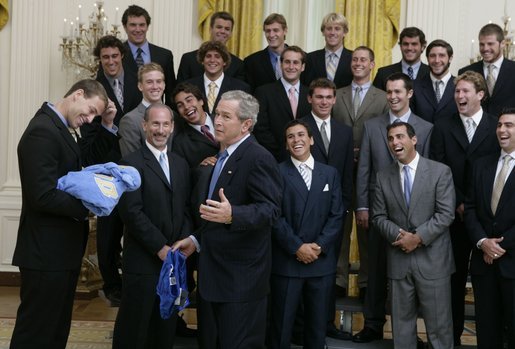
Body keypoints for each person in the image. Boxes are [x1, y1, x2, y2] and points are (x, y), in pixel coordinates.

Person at [172, 90, 282, 349]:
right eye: (217, 113)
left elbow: (271, 210)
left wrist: (234, 215)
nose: (217, 121)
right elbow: (214, 216)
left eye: (226, 116)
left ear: (246, 124)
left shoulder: (259, 157)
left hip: (240, 282)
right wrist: (194, 241)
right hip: (212, 277)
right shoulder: (221, 156)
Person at [10, 79, 114, 349]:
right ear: (78, 94)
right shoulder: (42, 131)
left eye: (95, 116)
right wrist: (89, 207)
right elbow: (42, 195)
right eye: (90, 110)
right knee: (35, 333)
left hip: (60, 253)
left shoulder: (62, 129)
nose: (89, 119)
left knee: (55, 331)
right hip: (45, 254)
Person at [353, 72, 433, 344]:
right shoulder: (372, 126)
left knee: (409, 274)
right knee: (375, 270)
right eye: (389, 91)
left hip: (413, 212)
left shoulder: (425, 128)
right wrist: (361, 206)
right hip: (378, 212)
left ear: (409, 93)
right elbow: (363, 168)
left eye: (398, 91)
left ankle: (410, 332)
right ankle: (373, 323)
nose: (393, 96)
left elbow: (428, 173)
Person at [112, 104, 192, 349]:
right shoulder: (130, 164)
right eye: (155, 124)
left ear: (172, 127)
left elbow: (186, 208)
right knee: (135, 328)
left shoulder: (181, 164)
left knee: (165, 326)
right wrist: (160, 247)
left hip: (174, 262)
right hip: (143, 261)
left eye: (165, 124)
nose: (160, 130)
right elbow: (132, 213)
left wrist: (182, 241)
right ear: (144, 126)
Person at [430, 70, 500, 346]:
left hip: (487, 219)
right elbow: (438, 167)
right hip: (452, 217)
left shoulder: (496, 126)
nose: (458, 96)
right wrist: (458, 203)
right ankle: (453, 338)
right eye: (456, 91)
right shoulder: (442, 126)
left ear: (480, 95)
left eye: (465, 91)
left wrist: (475, 207)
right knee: (453, 281)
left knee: (488, 284)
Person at [373, 121, 455, 349]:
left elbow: (446, 214)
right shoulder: (383, 176)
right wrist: (401, 237)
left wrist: (417, 238)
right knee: (401, 329)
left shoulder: (440, 171)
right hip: (399, 262)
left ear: (414, 139)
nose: (394, 142)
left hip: (434, 262)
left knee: (439, 329)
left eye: (399, 137)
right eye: (390, 138)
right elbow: (378, 216)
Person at [269, 119, 344, 349]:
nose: (296, 140)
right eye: (290, 136)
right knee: (281, 328)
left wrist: (318, 246)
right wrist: (297, 247)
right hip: (288, 262)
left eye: (301, 135)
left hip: (320, 263)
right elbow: (274, 216)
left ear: (311, 139)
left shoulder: (329, 173)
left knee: (317, 329)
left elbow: (337, 215)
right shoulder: (277, 172)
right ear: (286, 144)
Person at [332, 46, 388, 300]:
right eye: (355, 59)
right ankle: (339, 280)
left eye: (363, 59)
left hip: (371, 171)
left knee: (367, 230)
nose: (358, 63)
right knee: (339, 227)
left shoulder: (383, 97)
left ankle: (367, 283)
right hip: (340, 170)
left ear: (372, 64)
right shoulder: (337, 94)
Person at [300, 78, 353, 340]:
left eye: (328, 97)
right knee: (304, 268)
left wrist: (343, 209)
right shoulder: (300, 128)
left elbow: (346, 174)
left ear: (334, 100)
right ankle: (302, 327)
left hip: (335, 212)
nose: (323, 101)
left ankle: (326, 323)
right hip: (305, 210)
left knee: (330, 268)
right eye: (318, 97)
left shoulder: (344, 131)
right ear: (310, 98)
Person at [465, 108, 515, 349]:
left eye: (509, 126)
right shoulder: (481, 164)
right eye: (500, 125)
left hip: (512, 261)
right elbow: (471, 209)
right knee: (487, 331)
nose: (502, 130)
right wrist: (483, 242)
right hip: (483, 264)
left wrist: (499, 246)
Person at [253, 45, 311, 162]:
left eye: (295, 63)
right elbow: (260, 129)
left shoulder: (310, 93)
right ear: (281, 64)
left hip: (306, 158)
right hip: (274, 158)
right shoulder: (263, 92)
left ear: (302, 67)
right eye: (287, 62)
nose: (291, 67)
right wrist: (282, 153)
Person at [121, 5, 176, 107]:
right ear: (125, 27)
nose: (138, 29)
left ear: (147, 26)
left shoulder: (164, 56)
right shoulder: (117, 56)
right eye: (133, 25)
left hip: (159, 117)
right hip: (125, 117)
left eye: (142, 25)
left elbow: (171, 93)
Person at [458, 23, 515, 117]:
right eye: (482, 44)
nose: (485, 49)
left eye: (490, 44)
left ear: (503, 44)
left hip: (507, 128)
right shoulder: (466, 72)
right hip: (476, 129)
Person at [177, 11, 245, 82]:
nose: (222, 31)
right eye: (219, 27)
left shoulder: (238, 65)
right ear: (210, 29)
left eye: (227, 29)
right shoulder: (188, 59)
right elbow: (180, 89)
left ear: (231, 33)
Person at [185, 40, 250, 116]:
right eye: (208, 56)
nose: (212, 60)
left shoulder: (240, 88)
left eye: (217, 56)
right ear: (202, 61)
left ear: (224, 62)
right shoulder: (188, 87)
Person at [119, 62, 167, 157]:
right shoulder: (130, 120)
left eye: (159, 81)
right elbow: (132, 161)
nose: (155, 86)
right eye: (149, 82)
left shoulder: (175, 116)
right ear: (140, 86)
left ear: (164, 85)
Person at [94, 35, 141, 126]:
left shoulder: (139, 81)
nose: (111, 62)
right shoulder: (94, 90)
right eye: (106, 57)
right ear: (100, 59)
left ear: (122, 55)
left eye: (114, 56)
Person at [172, 82, 220, 169]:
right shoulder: (180, 143)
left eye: (189, 100)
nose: (186, 107)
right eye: (180, 105)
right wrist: (200, 167)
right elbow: (183, 176)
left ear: (201, 101)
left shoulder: (222, 120)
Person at [411, 39, 458, 123]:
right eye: (432, 56)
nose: (436, 60)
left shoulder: (460, 85)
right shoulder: (415, 86)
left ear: (450, 58)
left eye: (442, 55)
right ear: (427, 59)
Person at [301, 12, 352, 89]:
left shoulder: (354, 58)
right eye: (329, 29)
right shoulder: (310, 58)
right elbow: (304, 87)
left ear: (344, 32)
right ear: (323, 32)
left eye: (337, 29)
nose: (332, 32)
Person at [244, 13, 289, 92]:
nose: (271, 35)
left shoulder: (301, 58)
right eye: (268, 31)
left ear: (285, 31)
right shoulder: (251, 62)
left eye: (275, 30)